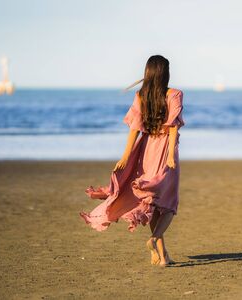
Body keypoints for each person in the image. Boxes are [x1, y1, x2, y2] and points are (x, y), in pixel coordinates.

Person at [79, 55, 185, 267]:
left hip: (146, 150)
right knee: (169, 203)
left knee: (152, 202)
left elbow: (135, 128)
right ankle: (154, 240)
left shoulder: (142, 95)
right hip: (164, 150)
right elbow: (173, 126)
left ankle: (163, 257)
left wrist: (126, 156)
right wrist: (171, 155)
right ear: (165, 73)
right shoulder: (175, 94)